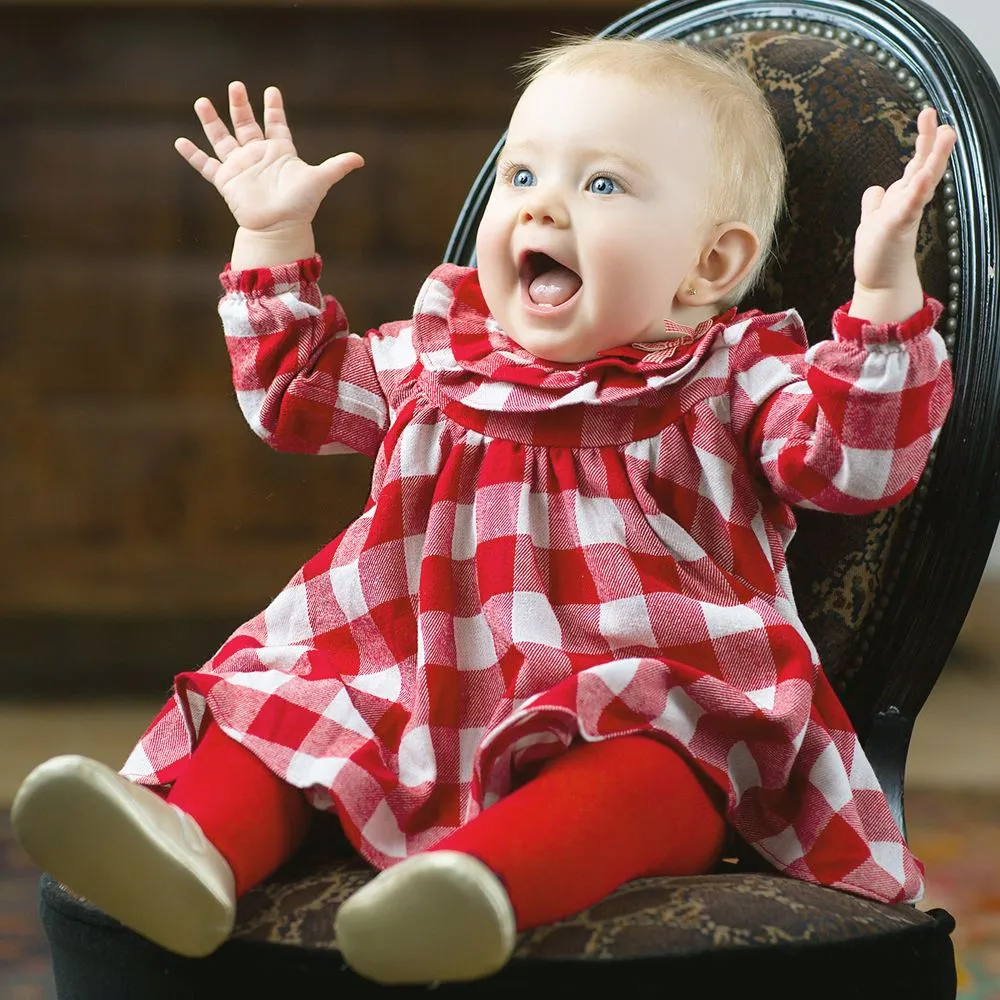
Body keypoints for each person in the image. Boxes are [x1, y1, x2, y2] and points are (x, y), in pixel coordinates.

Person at [12, 36, 956, 985]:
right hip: (406, 682)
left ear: (709, 265)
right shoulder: (437, 353)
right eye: (522, 172)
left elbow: (857, 465)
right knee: (277, 712)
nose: (541, 202)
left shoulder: (728, 376)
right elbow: (294, 397)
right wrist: (270, 236)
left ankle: (477, 888)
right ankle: (191, 852)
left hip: (637, 688)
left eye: (603, 186)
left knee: (661, 770)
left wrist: (881, 298)